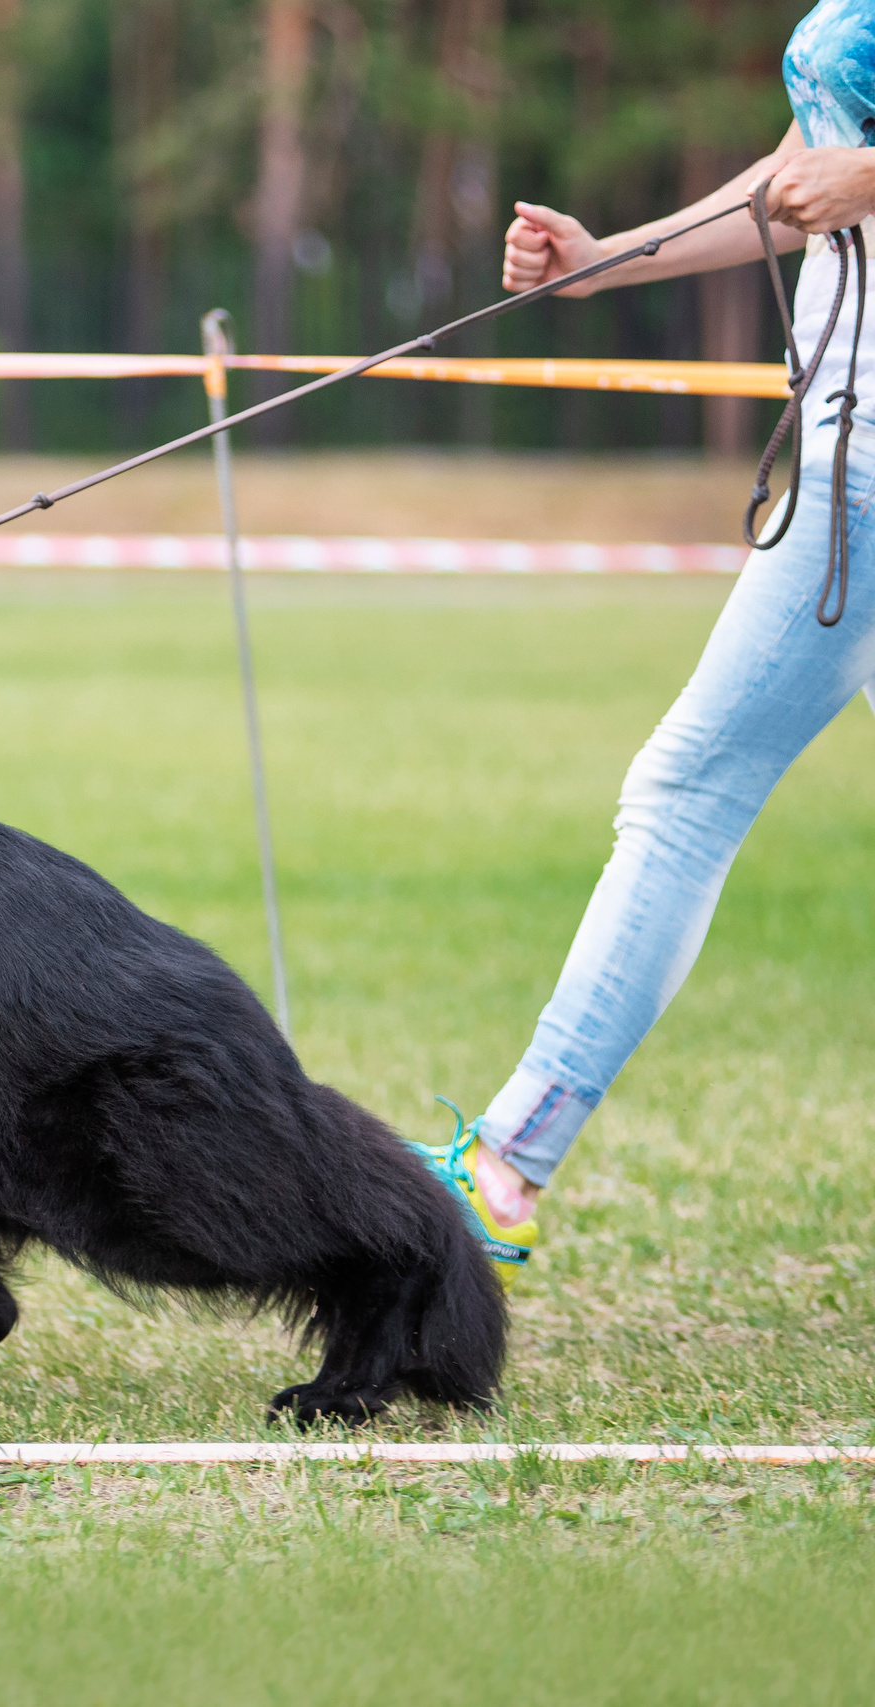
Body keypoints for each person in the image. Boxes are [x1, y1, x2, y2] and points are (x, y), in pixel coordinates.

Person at [414, 0, 875, 1283]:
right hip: (845, 461)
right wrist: (601, 259)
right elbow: (796, 172)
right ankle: (506, 1159)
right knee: (685, 792)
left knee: (683, 797)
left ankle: (505, 1161)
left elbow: (844, 173)